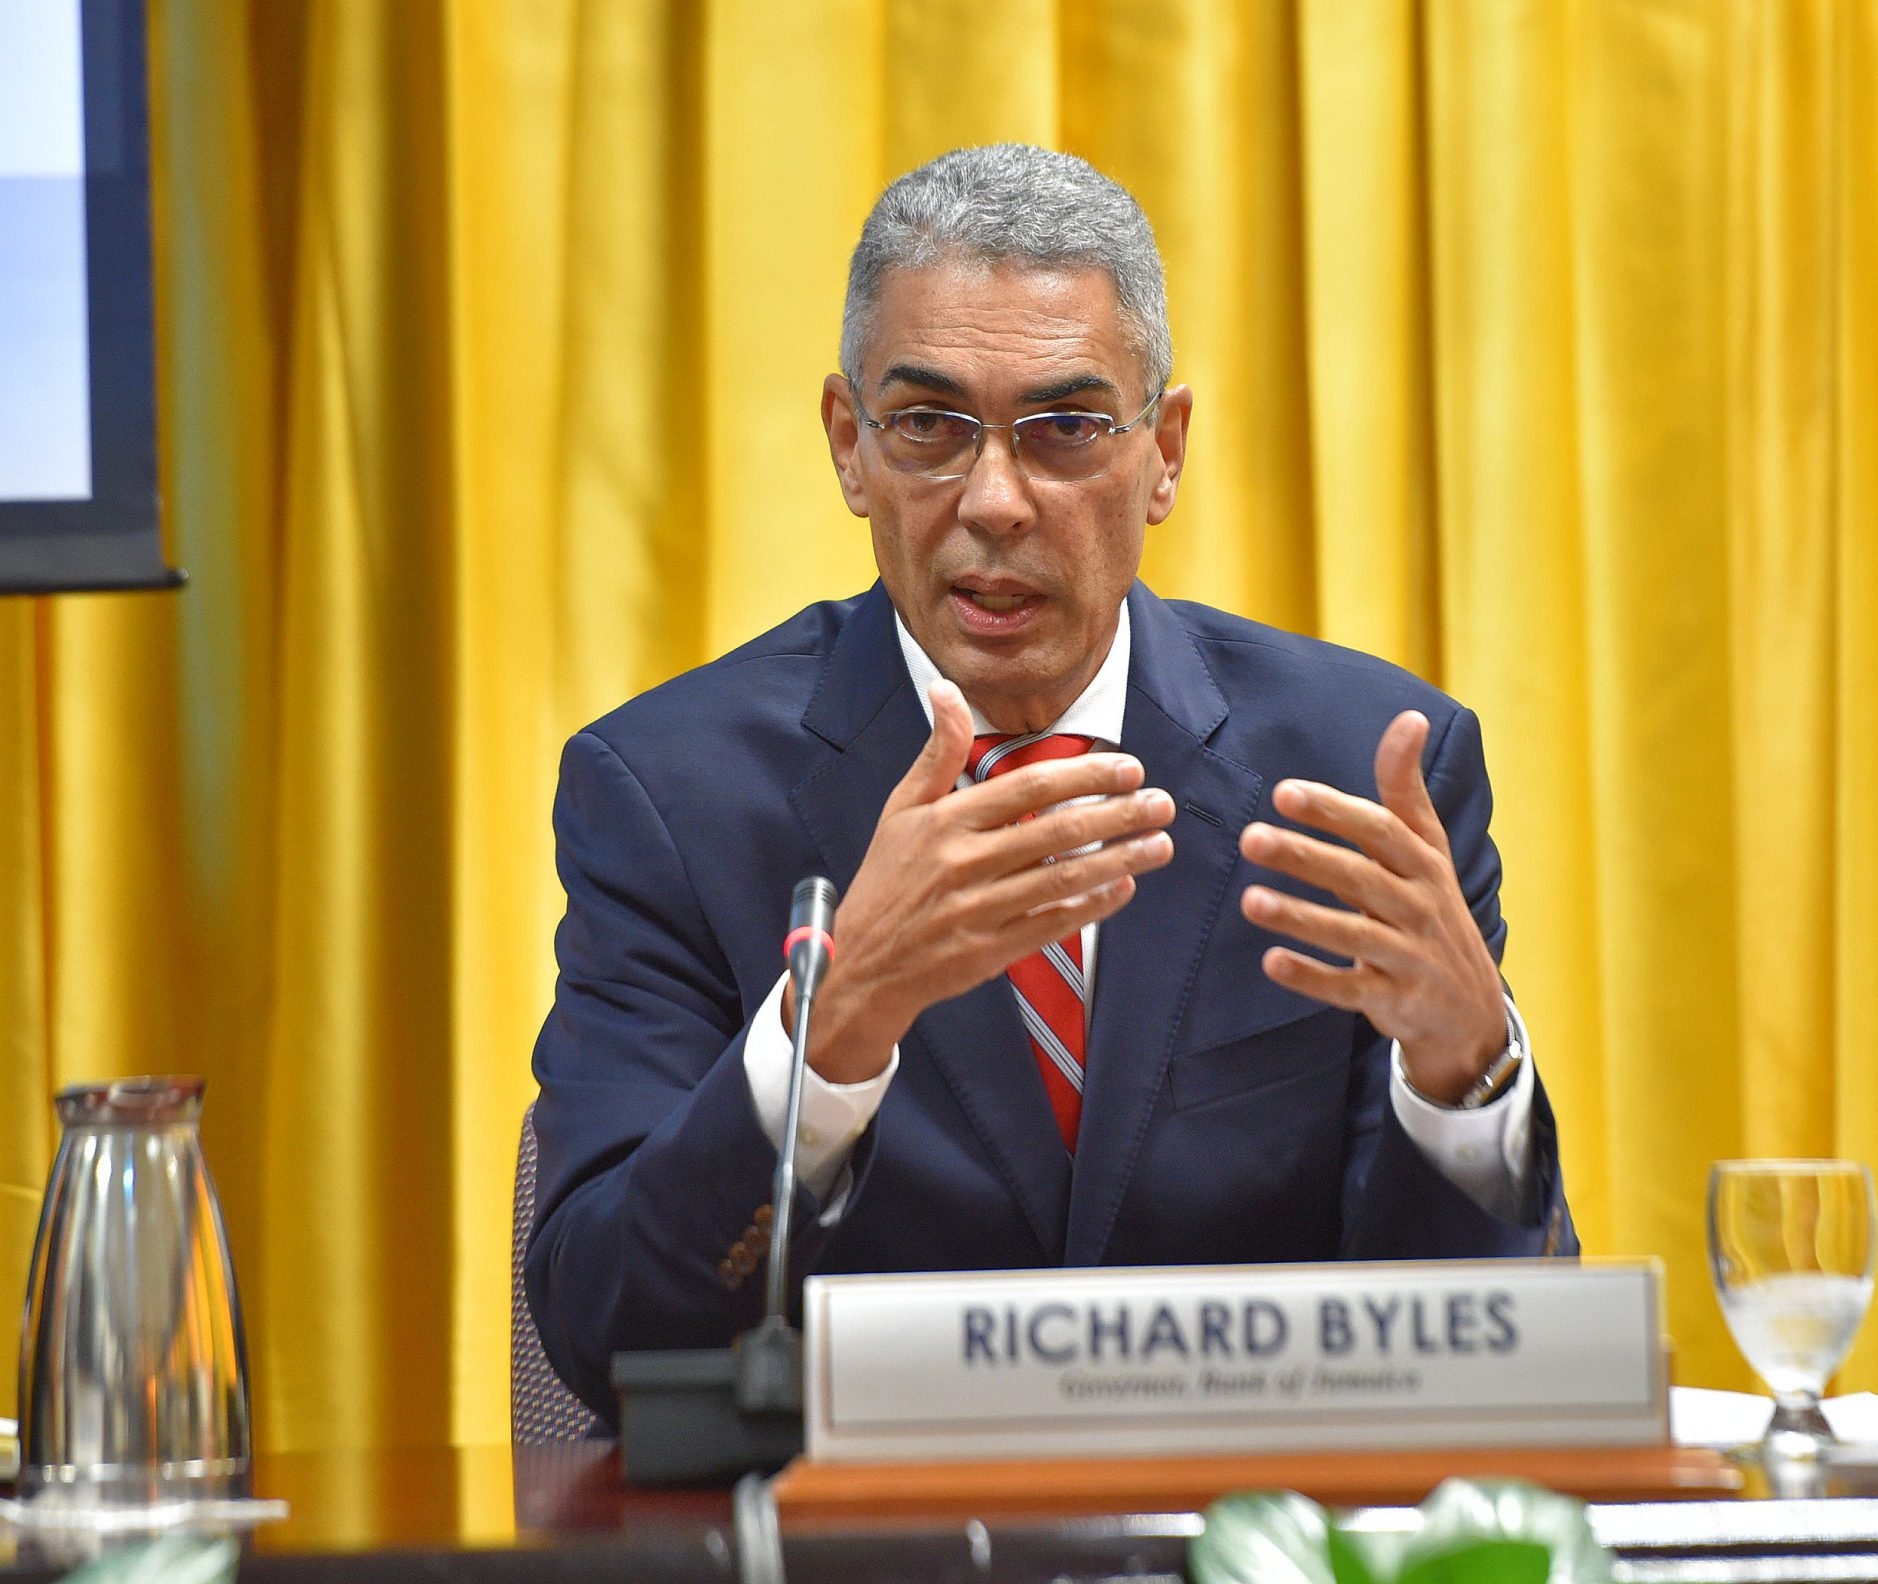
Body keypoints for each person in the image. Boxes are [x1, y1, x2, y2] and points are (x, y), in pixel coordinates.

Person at [527, 144, 1575, 1427]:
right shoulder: (669, 796)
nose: (995, 500)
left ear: (1164, 451)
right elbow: (607, 1337)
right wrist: (835, 1028)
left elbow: (1489, 1374)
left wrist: (1464, 1078)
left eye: (1066, 429)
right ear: (849, 446)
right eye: (926, 427)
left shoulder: (1357, 772)